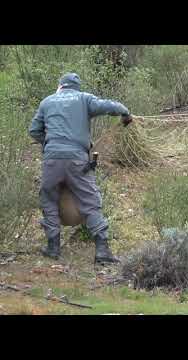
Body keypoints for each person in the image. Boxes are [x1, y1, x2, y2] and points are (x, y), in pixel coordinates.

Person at [29, 72, 133, 264]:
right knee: (90, 201)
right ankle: (102, 251)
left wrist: (48, 145)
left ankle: (53, 248)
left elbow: (33, 130)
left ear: (60, 86)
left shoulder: (47, 102)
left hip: (51, 160)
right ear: (76, 87)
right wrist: (125, 112)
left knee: (49, 199)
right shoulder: (84, 98)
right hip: (77, 159)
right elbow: (110, 106)